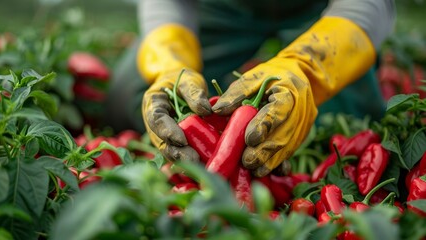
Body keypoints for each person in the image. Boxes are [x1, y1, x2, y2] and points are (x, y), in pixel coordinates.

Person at [104, 0, 396, 177]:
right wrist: (171, 66)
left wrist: (306, 69)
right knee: (132, 94)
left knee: (348, 120)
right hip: (225, 6)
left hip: (323, 10)